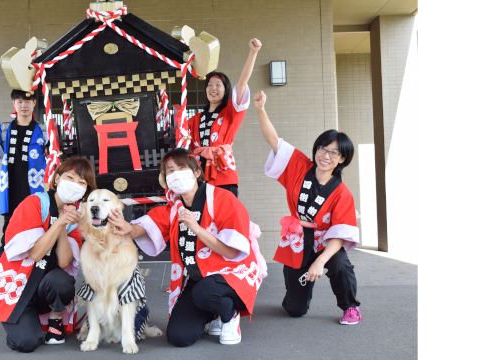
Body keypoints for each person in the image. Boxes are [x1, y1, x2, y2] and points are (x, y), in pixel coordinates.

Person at [108, 148, 267, 347]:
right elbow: (145, 227)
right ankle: (211, 314)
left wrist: (198, 229)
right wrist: (127, 228)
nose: (175, 174)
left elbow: (231, 252)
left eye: (181, 168)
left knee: (205, 292)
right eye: (170, 171)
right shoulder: (175, 208)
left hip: (232, 274)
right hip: (198, 278)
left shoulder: (223, 199)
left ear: (197, 172)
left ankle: (229, 314)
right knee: (179, 336)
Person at [253, 90, 363, 325]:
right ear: (316, 149)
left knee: (340, 264)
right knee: (295, 309)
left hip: (325, 242)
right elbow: (274, 140)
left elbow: (340, 235)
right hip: (298, 239)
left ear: (342, 159)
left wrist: (320, 261)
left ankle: (350, 307)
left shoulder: (342, 193)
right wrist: (261, 109)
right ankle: (297, 297)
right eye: (323, 148)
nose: (326, 155)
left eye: (334, 152)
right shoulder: (299, 165)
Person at [0, 157, 97, 352]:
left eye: (82, 183)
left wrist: (64, 224)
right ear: (57, 179)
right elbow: (35, 253)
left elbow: (63, 262)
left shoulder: (75, 219)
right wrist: (59, 222)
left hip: (44, 287)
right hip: (17, 287)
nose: (75, 185)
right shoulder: (33, 203)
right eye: (70, 177)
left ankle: (55, 319)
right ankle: (22, 321)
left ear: (85, 190)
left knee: (62, 280)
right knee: (27, 342)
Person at [187, 38, 262, 198]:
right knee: (202, 219)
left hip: (224, 172)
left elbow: (242, 83)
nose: (213, 88)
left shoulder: (231, 112)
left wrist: (253, 52)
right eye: (209, 84)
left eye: (218, 84)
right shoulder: (194, 120)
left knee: (225, 219)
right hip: (198, 174)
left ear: (226, 89)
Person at [0, 90, 48, 262]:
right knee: (9, 235)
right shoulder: (3, 129)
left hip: (35, 194)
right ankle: (0, 276)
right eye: (19, 101)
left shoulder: (43, 130)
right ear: (14, 104)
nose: (23, 105)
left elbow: (52, 161)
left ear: (34, 103)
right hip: (11, 193)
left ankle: (32, 277)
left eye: (27, 101)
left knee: (38, 235)